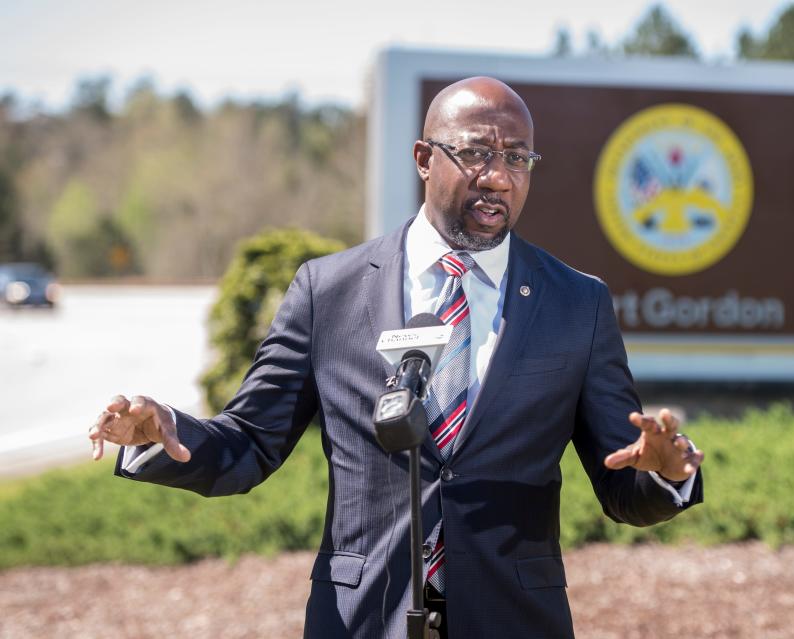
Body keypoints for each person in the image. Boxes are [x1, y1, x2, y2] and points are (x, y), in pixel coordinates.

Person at [88, 76, 704, 639]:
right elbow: (250, 441)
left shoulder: (577, 303)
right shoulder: (327, 290)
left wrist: (663, 475)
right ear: (422, 159)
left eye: (518, 158)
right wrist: (162, 429)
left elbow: (622, 481)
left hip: (514, 619)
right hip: (362, 618)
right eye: (476, 153)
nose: (499, 176)